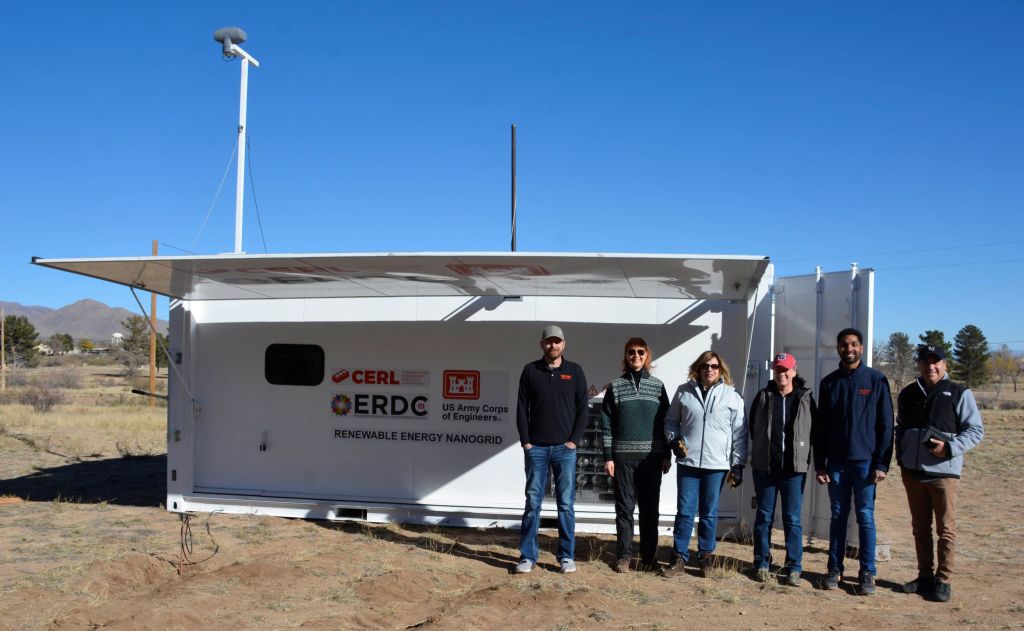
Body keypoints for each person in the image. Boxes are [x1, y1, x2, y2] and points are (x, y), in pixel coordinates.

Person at [895, 344, 984, 603]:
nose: (930, 366)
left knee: (945, 529)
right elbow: (901, 427)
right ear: (920, 365)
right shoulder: (909, 393)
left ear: (945, 365)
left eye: (936, 362)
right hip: (913, 473)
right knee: (920, 528)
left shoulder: (959, 392)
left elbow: (976, 430)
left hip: (944, 474)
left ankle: (943, 580)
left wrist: (950, 448)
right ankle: (924, 576)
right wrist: (902, 456)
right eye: (925, 362)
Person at [812, 327, 893, 595]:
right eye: (845, 345)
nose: (849, 349)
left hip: (866, 464)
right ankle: (834, 568)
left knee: (865, 517)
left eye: (854, 345)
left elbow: (886, 425)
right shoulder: (829, 383)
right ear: (838, 348)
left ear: (861, 347)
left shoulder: (876, 380)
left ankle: (867, 572)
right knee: (837, 516)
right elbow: (820, 427)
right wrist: (821, 463)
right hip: (836, 463)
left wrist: (882, 463)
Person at [661, 350, 747, 578]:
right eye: (705, 366)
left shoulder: (732, 396)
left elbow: (739, 433)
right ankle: (678, 558)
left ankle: (706, 557)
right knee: (685, 512)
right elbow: (670, 421)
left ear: (721, 370)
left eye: (714, 366)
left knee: (709, 513)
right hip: (688, 462)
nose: (709, 370)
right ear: (698, 368)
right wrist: (674, 441)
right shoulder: (684, 392)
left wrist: (737, 465)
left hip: (716, 465)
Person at [514, 324, 589, 574]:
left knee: (565, 504)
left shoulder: (575, 371)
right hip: (536, 449)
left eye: (557, 341)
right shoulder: (530, 371)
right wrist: (526, 441)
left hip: (564, 450)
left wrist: (573, 441)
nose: (553, 345)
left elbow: (583, 410)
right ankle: (527, 556)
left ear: (563, 344)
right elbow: (521, 408)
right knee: (533, 502)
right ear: (542, 344)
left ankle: (566, 555)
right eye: (548, 342)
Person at [599, 337, 671, 573]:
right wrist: (608, 456)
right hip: (623, 458)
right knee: (624, 509)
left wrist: (667, 454)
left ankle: (649, 559)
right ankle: (624, 557)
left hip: (652, 458)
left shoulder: (658, 387)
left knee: (650, 510)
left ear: (647, 355)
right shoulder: (616, 387)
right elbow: (607, 424)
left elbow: (666, 423)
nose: (636, 356)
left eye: (641, 352)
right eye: (631, 352)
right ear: (626, 355)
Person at [748, 353, 817, 587]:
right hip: (765, 469)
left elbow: (814, 432)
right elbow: (752, 427)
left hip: (793, 471)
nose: (782, 374)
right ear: (773, 372)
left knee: (792, 519)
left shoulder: (806, 398)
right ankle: (761, 563)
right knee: (764, 518)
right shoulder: (764, 396)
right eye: (778, 370)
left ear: (794, 371)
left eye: (786, 369)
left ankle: (794, 567)